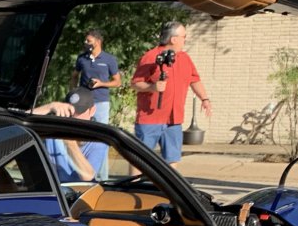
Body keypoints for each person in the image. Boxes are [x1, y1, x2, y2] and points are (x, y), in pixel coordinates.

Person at [131, 21, 211, 163]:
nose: (185, 40)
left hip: (174, 121)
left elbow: (194, 80)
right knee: (140, 161)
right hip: (150, 120)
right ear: (173, 39)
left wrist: (204, 99)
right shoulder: (151, 57)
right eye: (184, 37)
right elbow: (135, 83)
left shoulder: (185, 58)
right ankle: (137, 179)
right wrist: (152, 87)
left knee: (172, 159)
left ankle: (167, 180)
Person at [73, 29, 121, 176]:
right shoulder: (81, 58)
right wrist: (74, 93)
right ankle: (82, 173)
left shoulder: (109, 59)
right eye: (85, 40)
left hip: (101, 103)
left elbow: (117, 82)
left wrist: (101, 84)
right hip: (83, 104)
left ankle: (102, 177)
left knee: (101, 139)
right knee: (81, 137)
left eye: (89, 41)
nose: (86, 43)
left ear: (98, 42)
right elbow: (74, 76)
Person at [39, 88, 99, 182]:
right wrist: (50, 107)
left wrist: (70, 142)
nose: (74, 116)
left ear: (92, 111)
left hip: (78, 190)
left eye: (79, 111)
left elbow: (88, 177)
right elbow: (19, 123)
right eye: (70, 111)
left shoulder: (98, 139)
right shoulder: (54, 130)